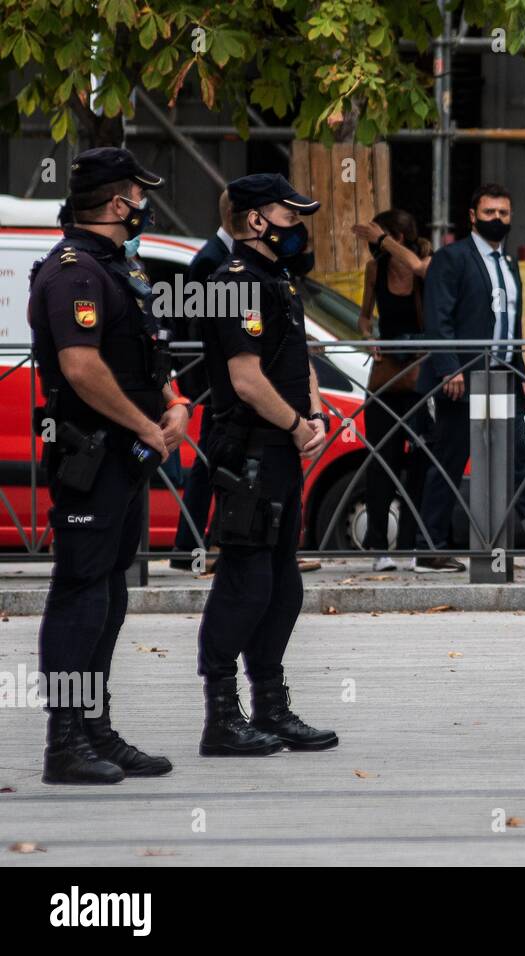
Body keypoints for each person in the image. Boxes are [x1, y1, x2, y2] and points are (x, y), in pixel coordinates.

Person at [29, 146, 185, 783]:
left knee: (111, 590)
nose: (144, 206)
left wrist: (172, 404)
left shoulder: (118, 267)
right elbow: (81, 367)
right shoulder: (74, 271)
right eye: (139, 196)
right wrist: (149, 424)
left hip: (125, 454)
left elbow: (144, 354)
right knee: (81, 591)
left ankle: (95, 727)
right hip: (91, 455)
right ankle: (64, 742)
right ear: (120, 203)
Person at [195, 172, 337, 756]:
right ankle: (221, 717)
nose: (298, 228)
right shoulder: (233, 283)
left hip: (280, 449)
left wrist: (315, 408)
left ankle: (271, 707)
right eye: (289, 216)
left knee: (282, 584)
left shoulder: (274, 279)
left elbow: (291, 355)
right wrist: (296, 424)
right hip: (250, 450)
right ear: (256, 220)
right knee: (245, 582)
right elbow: (245, 380)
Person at [414, 183, 525, 571]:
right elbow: (438, 319)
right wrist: (450, 369)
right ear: (473, 216)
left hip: (502, 376)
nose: (497, 219)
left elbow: (512, 326)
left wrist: (521, 372)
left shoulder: (509, 264)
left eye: (504, 213)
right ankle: (430, 547)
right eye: (489, 212)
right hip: (462, 380)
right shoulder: (451, 258)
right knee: (450, 460)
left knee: (518, 455)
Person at [350, 209, 433, 572]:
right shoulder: (375, 270)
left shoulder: (427, 266)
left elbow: (417, 268)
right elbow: (364, 318)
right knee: (382, 460)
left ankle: (413, 545)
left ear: (396, 237)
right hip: (385, 378)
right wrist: (370, 338)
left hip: (421, 374)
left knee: (419, 462)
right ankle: (378, 545)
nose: (372, 242)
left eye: (378, 235)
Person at [171, 190, 234, 573]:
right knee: (210, 463)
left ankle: (193, 547)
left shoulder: (220, 255)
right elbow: (196, 327)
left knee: (212, 463)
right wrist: (202, 386)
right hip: (217, 384)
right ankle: (190, 548)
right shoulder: (210, 259)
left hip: (220, 384)